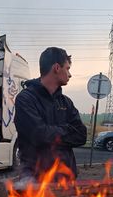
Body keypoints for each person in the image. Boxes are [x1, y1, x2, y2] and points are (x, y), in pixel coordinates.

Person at [14, 47, 87, 179]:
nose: (70, 74)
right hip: (35, 182)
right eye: (67, 68)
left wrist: (51, 133)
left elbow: (81, 135)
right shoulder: (26, 99)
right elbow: (38, 134)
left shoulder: (66, 102)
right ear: (56, 68)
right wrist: (67, 130)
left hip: (65, 181)